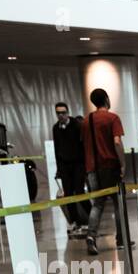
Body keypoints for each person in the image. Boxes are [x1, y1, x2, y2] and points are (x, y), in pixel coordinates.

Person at [80, 88, 128, 256]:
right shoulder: (112, 118)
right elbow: (116, 142)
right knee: (118, 203)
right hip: (110, 167)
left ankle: (91, 237)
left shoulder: (86, 121)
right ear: (107, 99)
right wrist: (123, 163)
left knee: (98, 205)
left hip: (92, 170)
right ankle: (122, 239)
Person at [51, 101, 90, 237]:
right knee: (68, 194)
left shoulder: (77, 125)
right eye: (58, 113)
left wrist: (85, 166)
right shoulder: (56, 128)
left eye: (63, 112)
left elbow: (84, 146)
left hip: (78, 164)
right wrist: (59, 169)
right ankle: (75, 221)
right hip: (64, 165)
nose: (61, 115)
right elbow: (57, 149)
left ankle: (91, 217)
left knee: (79, 192)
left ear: (68, 112)